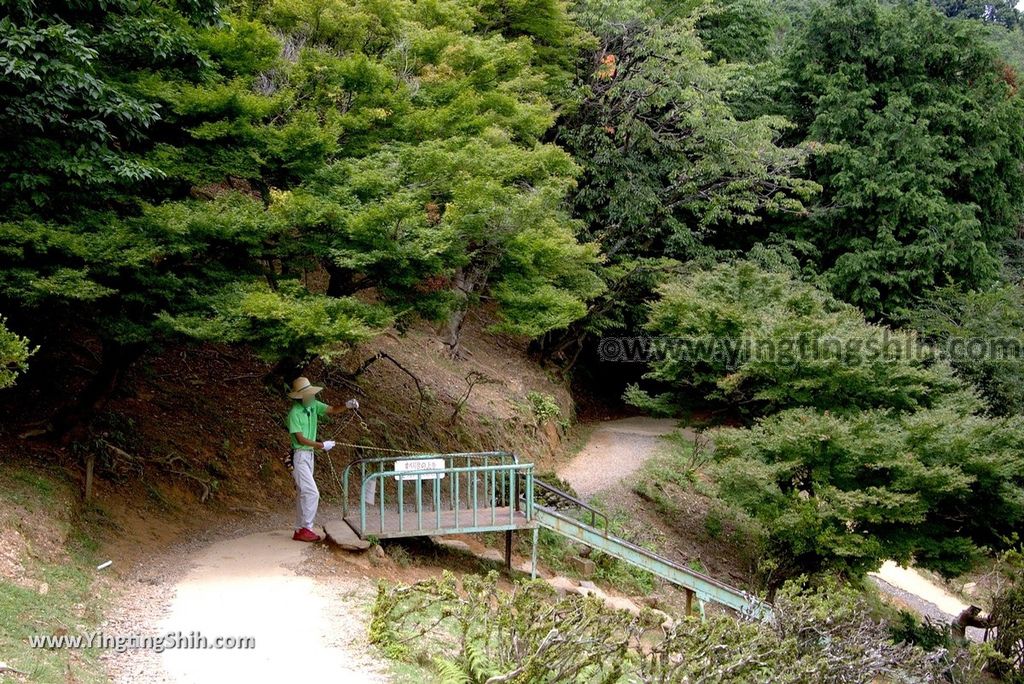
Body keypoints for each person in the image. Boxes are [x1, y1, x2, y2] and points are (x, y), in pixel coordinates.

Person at [286, 376, 354, 542]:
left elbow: (331, 409)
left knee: (304, 492)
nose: (311, 397)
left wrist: (346, 405)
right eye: (308, 395)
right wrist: (321, 445)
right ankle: (306, 528)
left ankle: (300, 529)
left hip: (309, 455)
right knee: (311, 492)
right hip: (300, 455)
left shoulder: (313, 406)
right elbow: (300, 439)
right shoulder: (294, 413)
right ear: (300, 397)